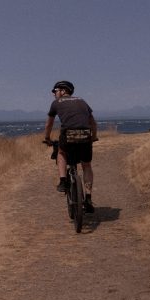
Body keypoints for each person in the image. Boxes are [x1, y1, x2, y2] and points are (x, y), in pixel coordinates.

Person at [44, 81, 98, 213]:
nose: (54, 94)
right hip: (85, 135)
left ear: (62, 91)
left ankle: (63, 181)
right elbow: (92, 122)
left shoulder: (57, 103)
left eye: (55, 91)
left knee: (61, 153)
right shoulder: (82, 101)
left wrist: (47, 138)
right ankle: (88, 197)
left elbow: (49, 125)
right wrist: (94, 136)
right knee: (86, 165)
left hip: (68, 135)